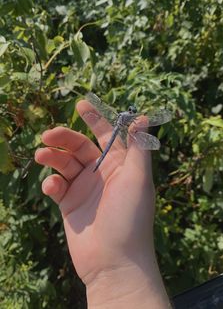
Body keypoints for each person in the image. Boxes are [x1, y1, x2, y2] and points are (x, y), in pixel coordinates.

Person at [35, 97, 172, 308]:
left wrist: (116, 266)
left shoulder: (121, 118)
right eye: (131, 112)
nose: (132, 112)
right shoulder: (129, 122)